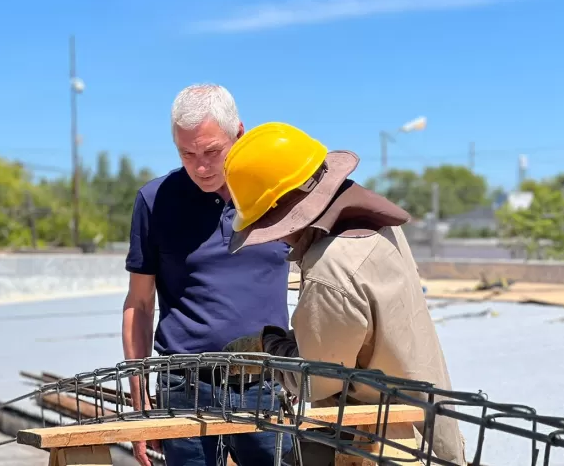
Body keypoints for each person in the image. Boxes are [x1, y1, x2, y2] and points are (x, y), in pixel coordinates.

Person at [221, 122, 467, 465]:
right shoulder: (377, 227)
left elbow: (317, 381)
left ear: (284, 210)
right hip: (423, 424)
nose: (277, 238)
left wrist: (270, 349)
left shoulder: (331, 269)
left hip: (378, 444)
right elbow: (360, 337)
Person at [121, 84, 294, 466]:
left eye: (212, 151)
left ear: (240, 135)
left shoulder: (278, 194)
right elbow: (139, 302)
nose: (201, 167)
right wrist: (138, 394)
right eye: (187, 153)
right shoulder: (155, 200)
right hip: (183, 387)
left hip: (265, 385)